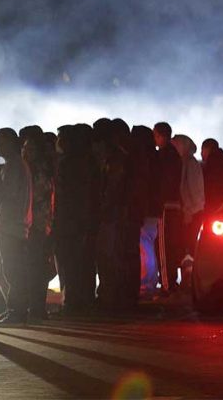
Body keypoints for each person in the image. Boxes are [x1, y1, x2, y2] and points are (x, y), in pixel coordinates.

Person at [54, 125, 97, 315]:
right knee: (83, 263)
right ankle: (84, 300)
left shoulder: (67, 164)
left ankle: (70, 302)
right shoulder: (88, 162)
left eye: (60, 137)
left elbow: (64, 196)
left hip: (68, 222)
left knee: (69, 264)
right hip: (83, 221)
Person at [0, 128, 32, 326]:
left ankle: (17, 312)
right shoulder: (17, 165)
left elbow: (8, 196)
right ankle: (13, 309)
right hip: (15, 225)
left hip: (11, 226)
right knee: (12, 270)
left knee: (13, 271)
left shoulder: (14, 167)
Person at [96, 119, 130, 312]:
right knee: (110, 257)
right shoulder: (116, 157)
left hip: (111, 215)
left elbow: (112, 188)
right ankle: (111, 296)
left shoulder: (114, 158)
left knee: (108, 257)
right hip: (114, 214)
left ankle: (109, 297)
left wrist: (104, 208)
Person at [23, 132, 55, 323]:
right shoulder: (30, 169)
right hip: (35, 225)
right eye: (24, 148)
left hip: (37, 225)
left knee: (36, 268)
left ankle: (36, 307)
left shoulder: (38, 171)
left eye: (30, 148)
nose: (25, 151)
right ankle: (34, 307)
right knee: (34, 267)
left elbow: (39, 198)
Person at [153, 122, 183, 293]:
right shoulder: (174, 155)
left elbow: (162, 183)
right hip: (174, 205)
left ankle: (167, 285)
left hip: (165, 206)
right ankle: (170, 281)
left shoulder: (164, 156)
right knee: (170, 247)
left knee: (163, 248)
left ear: (160, 136)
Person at [129, 126, 157, 300]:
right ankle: (149, 282)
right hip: (151, 210)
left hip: (146, 211)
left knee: (145, 247)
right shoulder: (154, 157)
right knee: (147, 246)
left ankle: (146, 283)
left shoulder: (143, 158)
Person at [171, 135, 205, 272]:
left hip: (192, 212)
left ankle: (189, 278)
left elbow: (193, 189)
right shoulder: (186, 162)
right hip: (190, 211)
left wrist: (189, 211)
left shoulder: (190, 163)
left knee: (189, 246)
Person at [201, 139, 223, 213]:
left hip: (212, 204)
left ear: (207, 149)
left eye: (202, 149)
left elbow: (208, 186)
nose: (201, 153)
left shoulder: (211, 165)